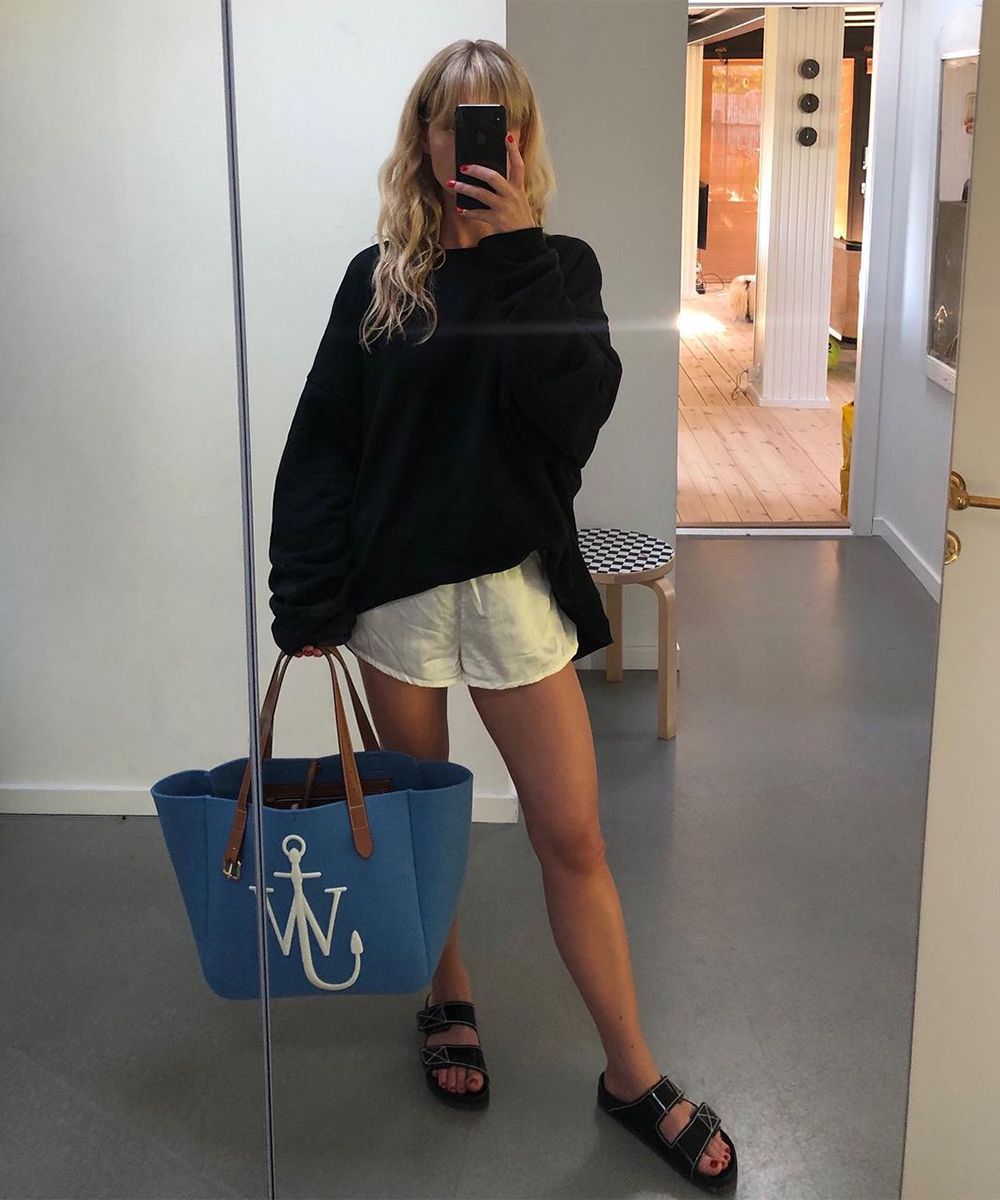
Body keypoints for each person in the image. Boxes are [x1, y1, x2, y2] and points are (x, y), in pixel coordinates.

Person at [267, 37, 737, 1194]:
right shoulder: (378, 278)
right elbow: (326, 444)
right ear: (424, 138)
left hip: (517, 591)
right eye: (457, 120)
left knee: (571, 837)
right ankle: (448, 997)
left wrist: (517, 250)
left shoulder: (557, 267)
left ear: (520, 140)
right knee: (423, 833)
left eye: (500, 122)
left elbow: (573, 418)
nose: (479, 141)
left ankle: (630, 1071)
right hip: (398, 598)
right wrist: (306, 590)